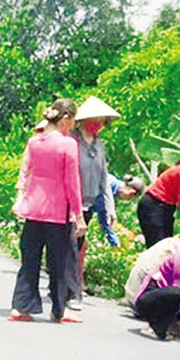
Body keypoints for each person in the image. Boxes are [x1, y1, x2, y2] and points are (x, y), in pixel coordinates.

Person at [10, 98, 86, 323]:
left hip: (33, 210)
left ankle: (20, 307)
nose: (73, 127)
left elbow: (26, 173)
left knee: (30, 260)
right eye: (73, 121)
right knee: (59, 263)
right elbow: (72, 183)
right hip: (57, 211)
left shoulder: (34, 142)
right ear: (65, 119)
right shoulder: (68, 144)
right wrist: (78, 215)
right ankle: (59, 310)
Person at [65, 97, 120, 310]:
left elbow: (104, 178)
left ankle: (71, 290)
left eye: (102, 120)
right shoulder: (71, 141)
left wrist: (109, 208)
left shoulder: (99, 145)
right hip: (69, 202)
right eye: (95, 119)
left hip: (88, 204)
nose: (98, 123)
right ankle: (68, 291)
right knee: (67, 247)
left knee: (76, 248)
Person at [96, 173, 144, 247]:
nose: (128, 198)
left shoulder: (113, 195)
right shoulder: (109, 184)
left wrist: (114, 242)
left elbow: (104, 219)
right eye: (130, 195)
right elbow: (105, 217)